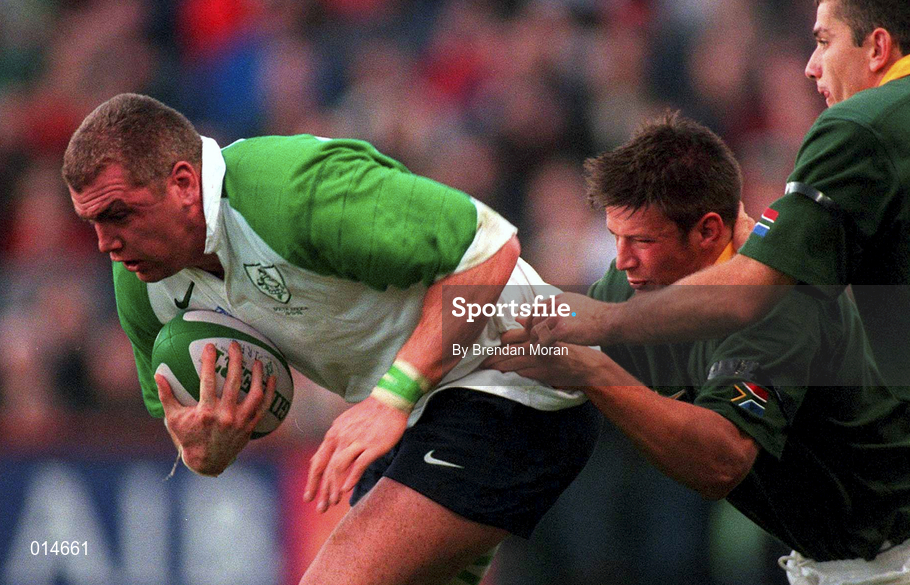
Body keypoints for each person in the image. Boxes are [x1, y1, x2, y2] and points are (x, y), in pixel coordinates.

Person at [515, 0, 910, 579]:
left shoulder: (861, 124)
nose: (811, 65)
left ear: (878, 47)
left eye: (824, 41)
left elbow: (756, 296)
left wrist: (602, 333)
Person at [62, 93, 601, 585]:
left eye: (118, 214)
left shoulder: (293, 190)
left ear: (183, 184)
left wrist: (393, 395)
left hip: (519, 376)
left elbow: (491, 250)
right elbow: (189, 439)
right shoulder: (142, 280)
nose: (106, 243)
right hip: (422, 415)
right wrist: (204, 448)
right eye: (92, 223)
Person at [485, 111, 910, 583]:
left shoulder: (779, 305)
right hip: (826, 565)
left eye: (640, 241)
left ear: (708, 231)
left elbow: (721, 460)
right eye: (615, 237)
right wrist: (466, 323)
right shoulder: (643, 283)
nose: (621, 262)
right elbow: (546, 322)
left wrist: (591, 371)